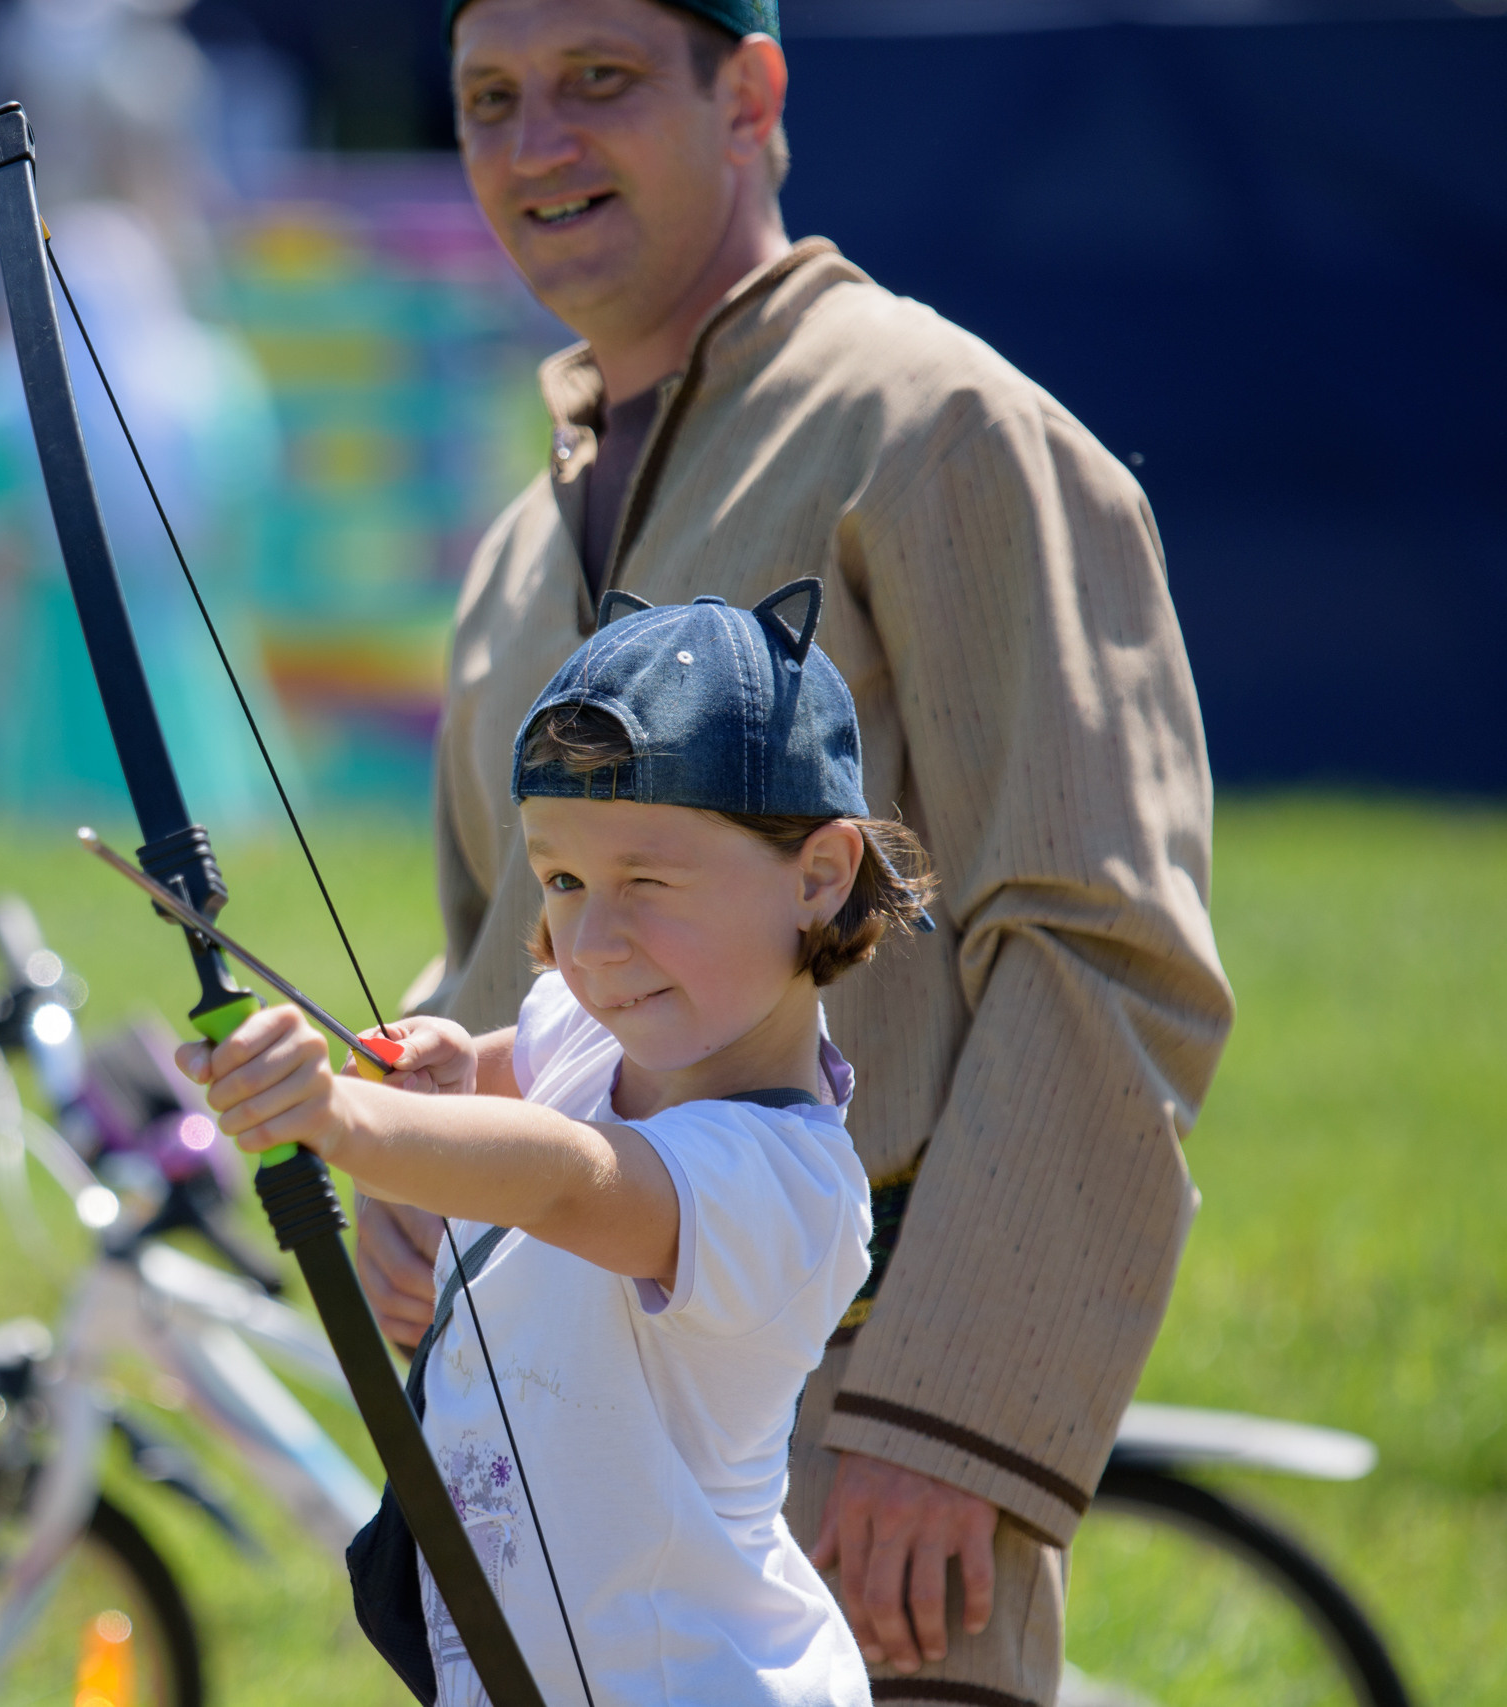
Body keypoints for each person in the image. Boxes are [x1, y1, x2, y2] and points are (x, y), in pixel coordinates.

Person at [351, 2, 1236, 1702]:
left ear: (750, 90)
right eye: (490, 97)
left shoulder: (941, 425)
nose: (538, 143)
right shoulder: (519, 540)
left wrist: (955, 1414)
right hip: (559, 1538)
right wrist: (415, 1155)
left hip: (856, 1477)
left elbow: (1101, 946)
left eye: (600, 80)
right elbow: (508, 956)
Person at [183, 586, 928, 1706]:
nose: (594, 941)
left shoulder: (785, 1186)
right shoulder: (598, 1032)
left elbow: (566, 1178)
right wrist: (448, 1067)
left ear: (818, 877)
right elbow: (517, 1074)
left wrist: (337, 1119)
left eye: (647, 881)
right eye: (564, 879)